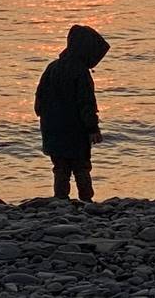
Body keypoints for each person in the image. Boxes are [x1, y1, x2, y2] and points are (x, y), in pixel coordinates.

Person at [34, 24, 110, 202]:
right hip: (75, 130)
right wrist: (93, 129)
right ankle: (86, 199)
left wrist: (46, 119)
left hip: (52, 128)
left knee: (60, 167)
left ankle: (60, 200)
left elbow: (39, 100)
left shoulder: (52, 67)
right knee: (81, 167)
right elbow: (86, 103)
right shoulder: (81, 72)